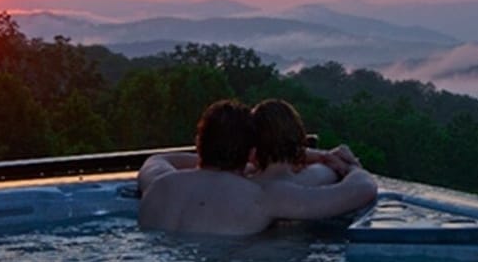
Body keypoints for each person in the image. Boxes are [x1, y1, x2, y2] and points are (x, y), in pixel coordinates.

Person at [137, 99, 378, 235]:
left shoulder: (159, 183)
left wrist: (317, 155)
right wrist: (353, 166)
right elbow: (362, 189)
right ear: (251, 153)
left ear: (199, 143)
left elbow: (161, 159)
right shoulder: (262, 198)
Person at [249, 99, 361, 188]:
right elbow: (361, 186)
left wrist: (324, 155)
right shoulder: (313, 177)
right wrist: (354, 168)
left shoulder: (243, 180)